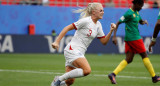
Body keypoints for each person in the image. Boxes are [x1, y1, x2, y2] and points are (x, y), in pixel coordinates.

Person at [51, 2, 116, 86]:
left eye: (103, 10)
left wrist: (111, 31)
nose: (103, 12)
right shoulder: (86, 21)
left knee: (69, 81)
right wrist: (57, 41)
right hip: (73, 49)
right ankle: (59, 79)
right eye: (100, 10)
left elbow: (104, 42)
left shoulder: (98, 25)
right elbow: (67, 28)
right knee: (87, 70)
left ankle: (57, 83)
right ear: (93, 12)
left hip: (79, 52)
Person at [108, 0, 160, 84]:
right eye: (140, 6)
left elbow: (139, 20)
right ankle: (154, 77)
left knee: (129, 59)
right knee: (144, 55)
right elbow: (118, 23)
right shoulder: (128, 13)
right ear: (135, 4)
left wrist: (143, 22)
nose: (141, 8)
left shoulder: (136, 12)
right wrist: (114, 36)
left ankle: (113, 74)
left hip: (130, 39)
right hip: (134, 38)